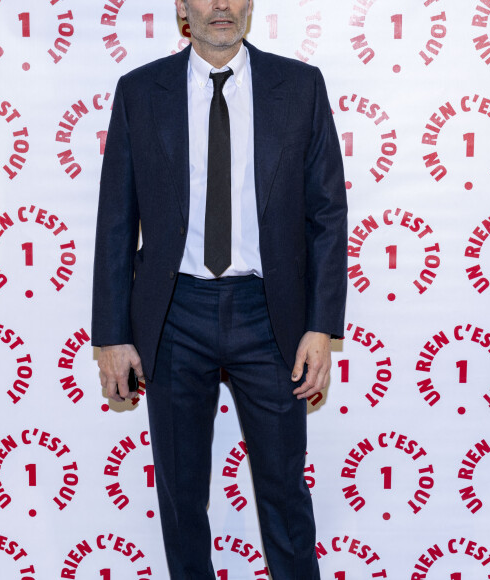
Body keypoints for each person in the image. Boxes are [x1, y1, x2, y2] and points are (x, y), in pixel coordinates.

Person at [92, 0, 347, 577]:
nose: (221, 6)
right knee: (181, 500)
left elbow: (328, 214)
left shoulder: (300, 86)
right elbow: (115, 220)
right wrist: (111, 335)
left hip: (271, 316)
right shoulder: (139, 90)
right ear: (182, 7)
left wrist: (320, 324)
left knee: (284, 494)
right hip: (173, 316)